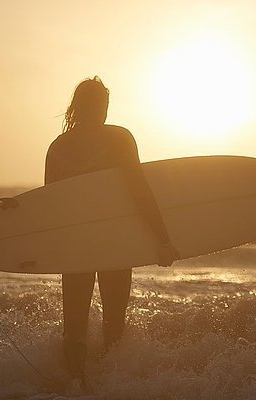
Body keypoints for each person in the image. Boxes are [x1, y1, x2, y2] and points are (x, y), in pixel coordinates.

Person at [44, 76, 179, 387]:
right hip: (115, 241)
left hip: (76, 246)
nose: (103, 111)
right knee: (114, 323)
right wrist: (163, 239)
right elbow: (139, 191)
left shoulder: (59, 147)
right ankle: (109, 386)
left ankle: (76, 384)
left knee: (74, 326)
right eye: (101, 105)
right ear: (99, 106)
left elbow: (49, 207)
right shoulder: (119, 138)